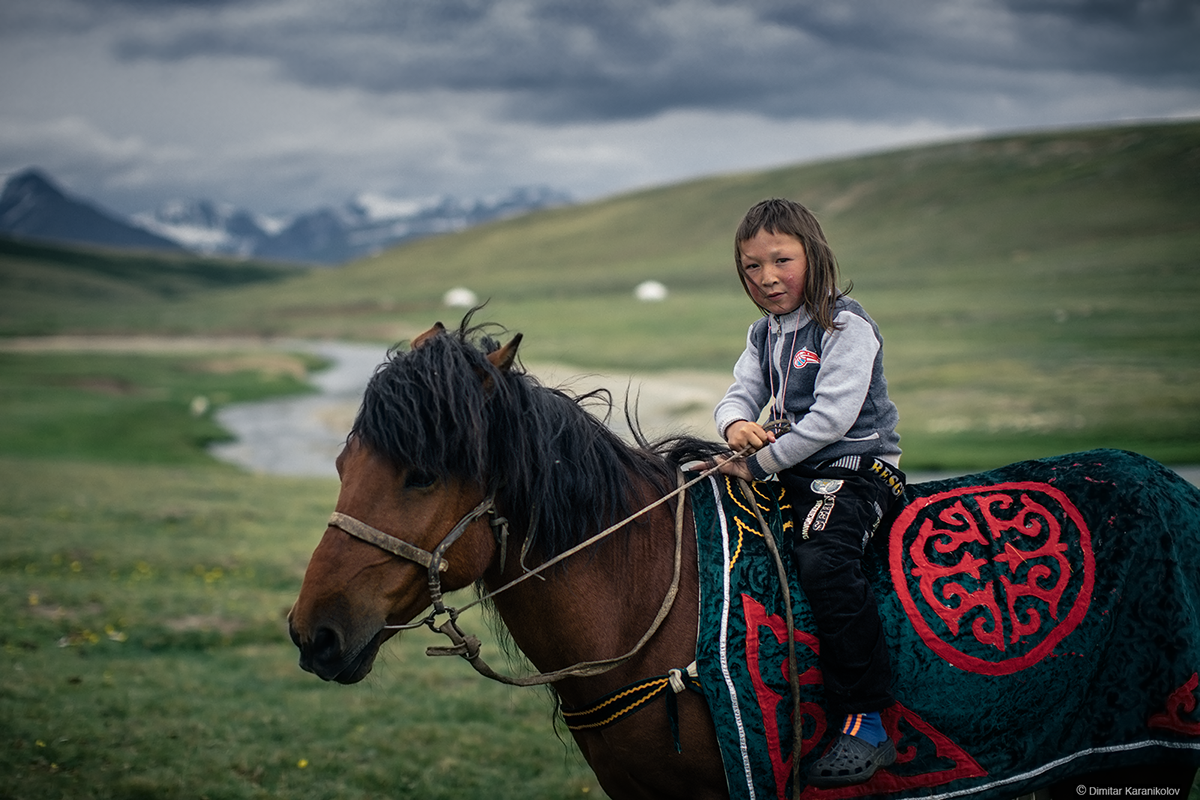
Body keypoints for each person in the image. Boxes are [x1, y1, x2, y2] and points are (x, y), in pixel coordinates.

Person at [712, 198, 905, 788]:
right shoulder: (763, 332)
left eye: (781, 260)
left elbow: (830, 422)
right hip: (794, 469)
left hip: (857, 472)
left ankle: (867, 720)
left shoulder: (846, 327)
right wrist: (734, 427)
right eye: (751, 267)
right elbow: (738, 393)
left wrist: (759, 461)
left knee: (823, 557)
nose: (767, 278)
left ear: (813, 256)